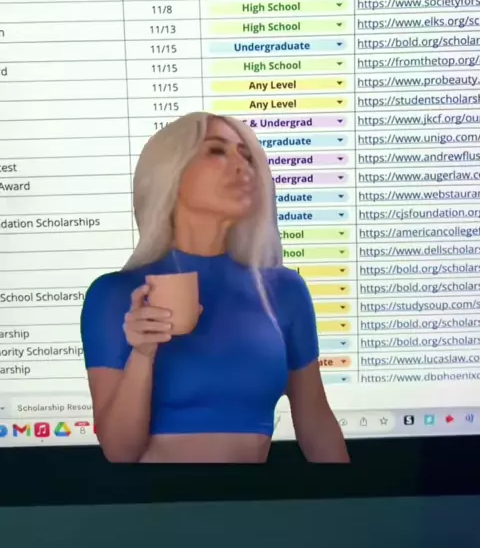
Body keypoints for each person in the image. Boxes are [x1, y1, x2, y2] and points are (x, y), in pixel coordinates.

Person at [80, 111, 349, 464]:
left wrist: (358, 497)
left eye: (247, 155)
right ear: (171, 172)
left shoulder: (284, 291)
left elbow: (316, 425)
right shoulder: (114, 295)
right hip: (152, 498)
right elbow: (120, 451)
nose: (243, 167)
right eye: (217, 151)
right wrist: (142, 355)